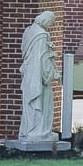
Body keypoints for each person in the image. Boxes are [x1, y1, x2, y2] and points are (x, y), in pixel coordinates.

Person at [19, 11, 60, 142]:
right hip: (39, 78)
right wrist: (52, 73)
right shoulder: (41, 36)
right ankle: (40, 132)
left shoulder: (29, 31)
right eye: (51, 23)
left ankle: (28, 131)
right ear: (46, 20)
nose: (50, 26)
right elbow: (42, 59)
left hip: (29, 74)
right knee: (43, 102)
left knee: (30, 105)